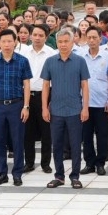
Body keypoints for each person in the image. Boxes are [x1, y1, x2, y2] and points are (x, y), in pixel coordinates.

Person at [41, 28, 90, 189]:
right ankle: (59, 176)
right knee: (57, 145)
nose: (63, 44)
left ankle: (75, 176)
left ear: (72, 42)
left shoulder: (80, 61)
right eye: (60, 41)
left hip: (75, 110)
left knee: (76, 144)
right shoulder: (49, 61)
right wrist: (44, 108)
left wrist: (85, 108)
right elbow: (46, 86)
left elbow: (85, 85)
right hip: (56, 110)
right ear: (56, 42)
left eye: (66, 41)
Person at [0, 30, 33, 186]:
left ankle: (17, 173)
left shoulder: (22, 61)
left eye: (9, 41)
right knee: (0, 140)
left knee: (17, 140)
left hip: (16, 105)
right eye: (3, 41)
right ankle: (2, 173)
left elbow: (26, 85)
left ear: (15, 42)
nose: (6, 44)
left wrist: (26, 106)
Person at [17, 24, 57, 174]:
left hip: (45, 95)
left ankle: (45, 163)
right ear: (31, 36)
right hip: (27, 95)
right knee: (28, 131)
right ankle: (29, 162)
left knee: (46, 130)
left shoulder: (52, 54)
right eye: (35, 34)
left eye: (41, 35)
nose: (37, 38)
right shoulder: (23, 53)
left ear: (46, 37)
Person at [81, 26, 108, 176]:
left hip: (102, 103)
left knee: (102, 135)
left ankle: (101, 163)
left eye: (94, 37)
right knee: (86, 136)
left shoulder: (107, 57)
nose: (91, 40)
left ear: (100, 38)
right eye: (89, 37)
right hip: (85, 104)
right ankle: (89, 163)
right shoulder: (81, 56)